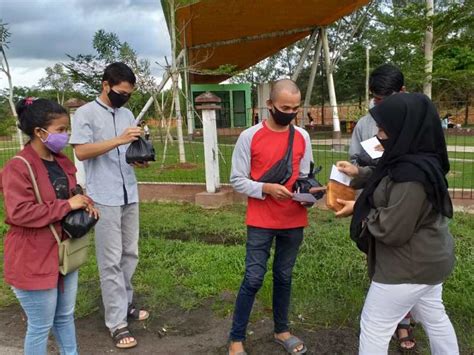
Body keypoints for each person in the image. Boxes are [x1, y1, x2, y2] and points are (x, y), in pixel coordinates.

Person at [336, 93, 459, 355]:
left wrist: (356, 209)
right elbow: (387, 175)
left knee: (374, 326)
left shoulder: (411, 179)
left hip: (406, 267)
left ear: (404, 129)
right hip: (431, 261)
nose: (379, 134)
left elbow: (392, 229)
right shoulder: (419, 159)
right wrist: (358, 173)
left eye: (384, 128)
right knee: (436, 318)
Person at [1, 98, 98, 355]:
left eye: (67, 129)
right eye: (61, 130)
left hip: (63, 254)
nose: (66, 136)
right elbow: (19, 212)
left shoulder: (61, 162)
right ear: (39, 132)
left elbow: (70, 193)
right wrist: (67, 206)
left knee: (65, 316)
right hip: (32, 257)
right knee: (41, 325)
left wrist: (85, 202)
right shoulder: (17, 168)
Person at [228, 79, 313, 355]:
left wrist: (311, 192)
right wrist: (265, 188)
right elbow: (237, 181)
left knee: (284, 276)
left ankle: (282, 330)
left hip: (293, 219)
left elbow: (305, 176)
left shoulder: (302, 136)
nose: (290, 113)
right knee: (253, 278)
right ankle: (236, 338)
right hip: (261, 221)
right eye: (284, 107)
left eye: (295, 108)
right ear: (269, 105)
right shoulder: (249, 137)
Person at [70, 62, 149, 349]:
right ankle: (116, 322)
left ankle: (125, 303)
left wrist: (137, 156)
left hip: (129, 192)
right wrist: (118, 140)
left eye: (128, 94)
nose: (124, 97)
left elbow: (126, 151)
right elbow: (80, 150)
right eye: (120, 92)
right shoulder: (85, 114)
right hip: (104, 196)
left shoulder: (126, 113)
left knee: (131, 253)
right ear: (105, 85)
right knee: (111, 259)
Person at [349, 64, 406, 167]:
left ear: (402, 91)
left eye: (388, 99)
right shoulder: (364, 124)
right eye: (378, 99)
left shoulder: (417, 121)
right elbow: (355, 163)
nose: (383, 105)